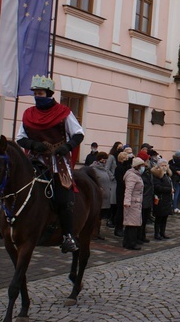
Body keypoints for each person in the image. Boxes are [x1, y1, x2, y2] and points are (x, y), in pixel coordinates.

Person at [16, 75, 84, 253]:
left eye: (41, 93)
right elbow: (20, 138)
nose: (38, 96)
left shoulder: (64, 112)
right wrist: (33, 145)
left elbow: (78, 133)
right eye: (35, 93)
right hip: (35, 160)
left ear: (48, 93)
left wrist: (67, 147)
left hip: (58, 162)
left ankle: (67, 235)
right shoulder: (29, 114)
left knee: (63, 197)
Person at [122, 156, 145, 250]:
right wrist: (127, 202)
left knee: (131, 224)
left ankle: (127, 242)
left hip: (136, 202)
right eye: (141, 165)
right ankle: (131, 243)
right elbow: (129, 190)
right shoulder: (132, 176)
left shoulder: (136, 175)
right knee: (132, 224)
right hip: (132, 203)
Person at [91, 152, 115, 238]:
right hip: (97, 196)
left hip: (105, 196)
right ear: (100, 159)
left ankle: (97, 232)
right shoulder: (93, 169)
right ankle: (93, 232)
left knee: (100, 216)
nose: (105, 161)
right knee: (95, 216)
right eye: (104, 159)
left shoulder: (104, 169)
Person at [151, 158, 174, 240]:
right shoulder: (157, 175)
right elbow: (157, 187)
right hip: (160, 198)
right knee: (159, 217)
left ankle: (162, 232)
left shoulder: (167, 174)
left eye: (165, 165)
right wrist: (169, 190)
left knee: (165, 217)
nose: (164, 167)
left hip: (167, 199)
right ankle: (157, 234)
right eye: (162, 165)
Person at [113, 149, 133, 237]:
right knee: (120, 210)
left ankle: (121, 227)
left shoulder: (126, 167)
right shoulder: (118, 168)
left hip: (125, 191)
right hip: (121, 191)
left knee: (123, 211)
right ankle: (118, 228)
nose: (127, 159)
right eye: (125, 158)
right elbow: (121, 180)